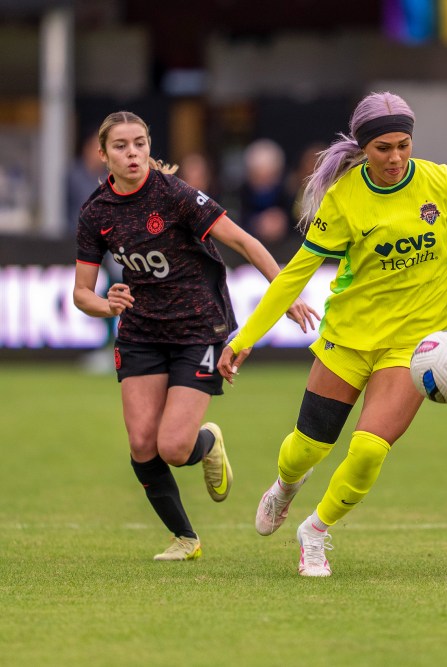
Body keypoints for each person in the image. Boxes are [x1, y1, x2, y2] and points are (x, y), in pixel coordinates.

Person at [217, 91, 447, 578]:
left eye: (403, 145)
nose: (395, 158)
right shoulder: (344, 198)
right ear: (363, 148)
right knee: (307, 448)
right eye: (383, 148)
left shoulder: (441, 182)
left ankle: (315, 532)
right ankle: (285, 487)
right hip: (348, 338)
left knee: (369, 449)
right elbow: (293, 276)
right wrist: (244, 338)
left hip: (412, 346)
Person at [72, 111, 318, 562]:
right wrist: (107, 305)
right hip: (141, 332)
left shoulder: (174, 194)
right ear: (103, 154)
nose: (132, 153)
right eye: (121, 146)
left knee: (173, 446)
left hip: (198, 329)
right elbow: (81, 294)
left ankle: (207, 442)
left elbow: (244, 241)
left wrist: (285, 293)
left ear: (149, 147)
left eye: (140, 143)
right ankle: (185, 539)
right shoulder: (95, 213)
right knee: (142, 444)